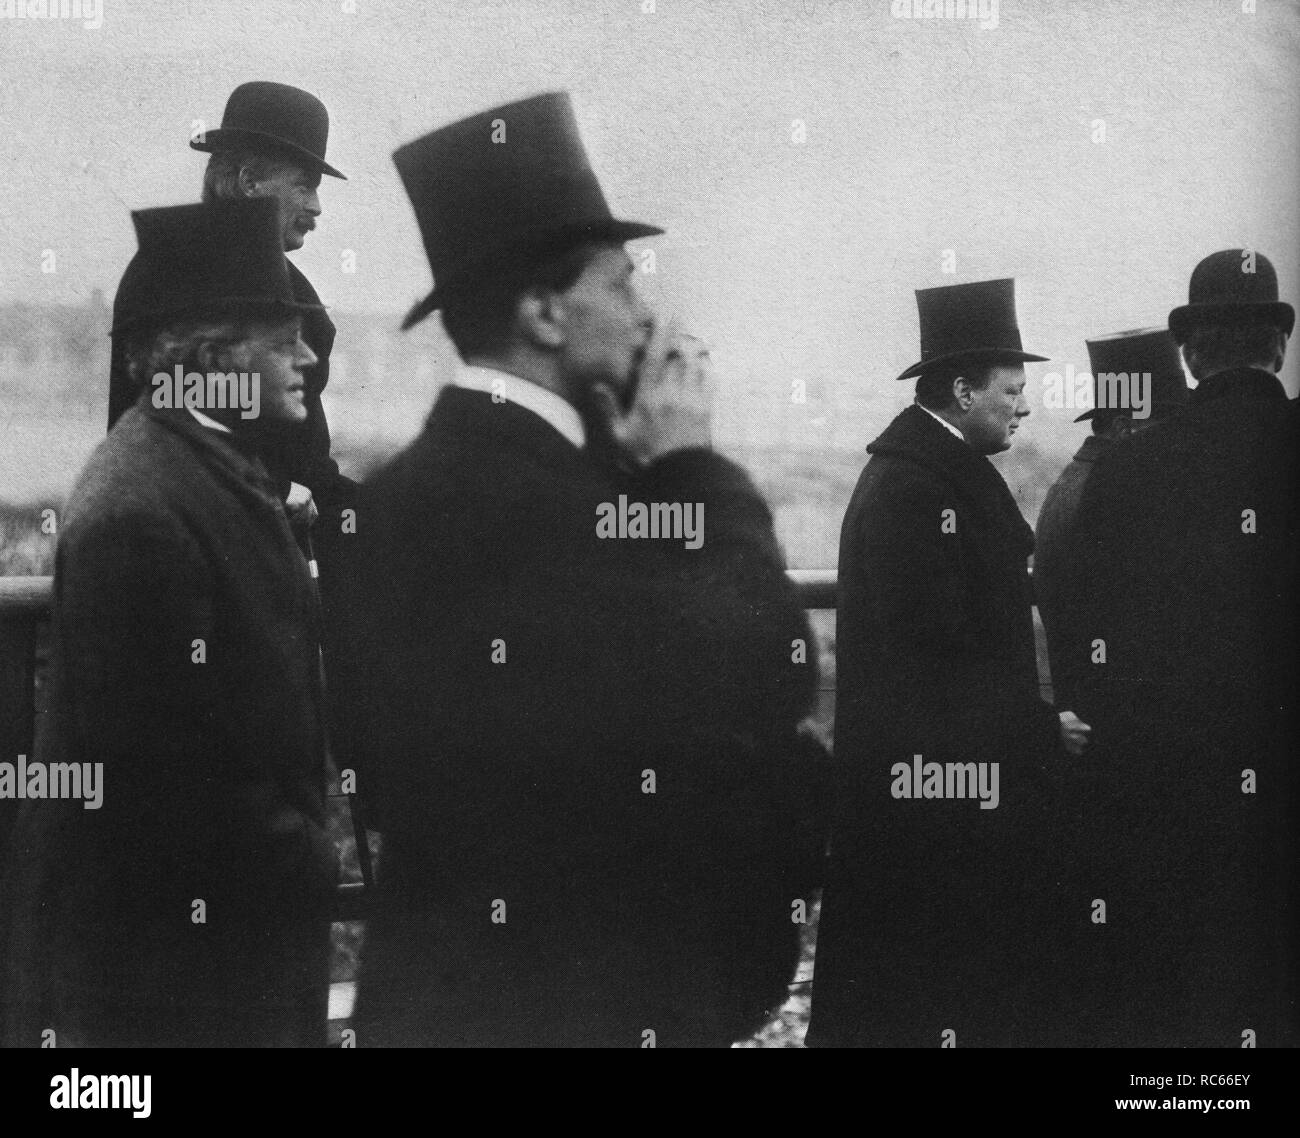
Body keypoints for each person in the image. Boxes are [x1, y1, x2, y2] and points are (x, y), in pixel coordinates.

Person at [336, 92, 824, 1047]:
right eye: (624, 285)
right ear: (546, 312)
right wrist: (693, 468)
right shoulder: (554, 501)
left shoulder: (405, 494)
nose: (647, 317)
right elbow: (769, 669)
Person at [2, 199, 337, 1047]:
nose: (308, 359)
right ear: (214, 357)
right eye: (285, 340)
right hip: (180, 982)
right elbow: (171, 784)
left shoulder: (200, 462)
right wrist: (309, 853)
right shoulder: (142, 511)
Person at [809, 278, 1090, 1047]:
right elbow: (939, 666)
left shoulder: (925, 474)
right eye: (1013, 390)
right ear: (964, 391)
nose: (1025, 408)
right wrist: (1041, 729)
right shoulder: (917, 491)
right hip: (931, 812)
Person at [1068, 249, 1298, 1046]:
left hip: (1177, 803)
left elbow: (1100, 648)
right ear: (1280, 346)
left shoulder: (1130, 468)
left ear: (1191, 354)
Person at [107, 81, 352, 547]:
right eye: (304, 185)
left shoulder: (295, 290)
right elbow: (164, 425)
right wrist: (277, 490)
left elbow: (311, 469)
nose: (316, 207)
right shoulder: (164, 277)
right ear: (248, 181)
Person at [1034, 327, 1187, 709]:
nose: (1177, 438)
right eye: (1166, 423)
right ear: (1124, 427)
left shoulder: (1082, 480)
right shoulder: (1107, 495)